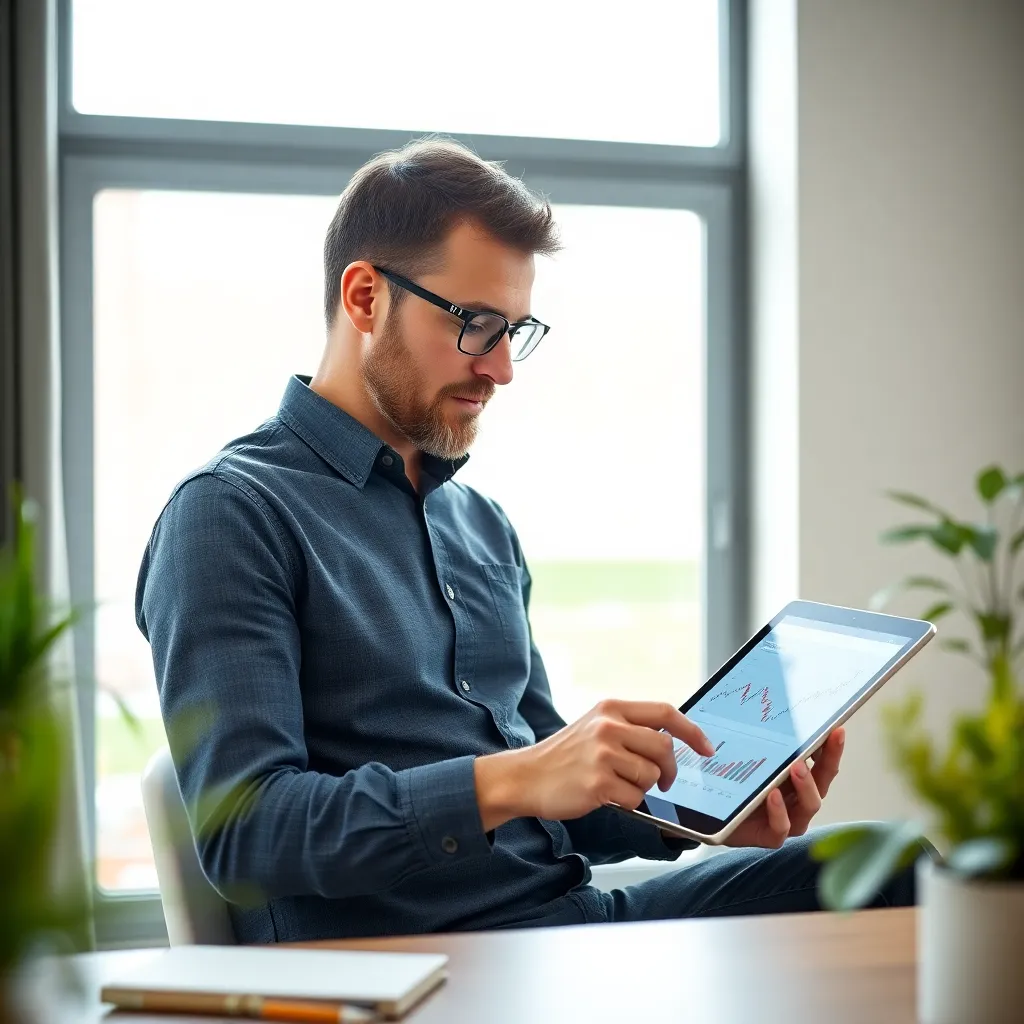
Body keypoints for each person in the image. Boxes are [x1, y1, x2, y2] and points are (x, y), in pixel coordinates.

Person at [136, 137, 918, 944]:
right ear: (366, 297)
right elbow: (247, 837)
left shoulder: (479, 525)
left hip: (569, 922)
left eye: (516, 330)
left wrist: (695, 813)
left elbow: (553, 797)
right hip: (425, 962)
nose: (503, 368)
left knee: (898, 863)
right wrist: (515, 777)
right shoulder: (229, 515)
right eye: (476, 325)